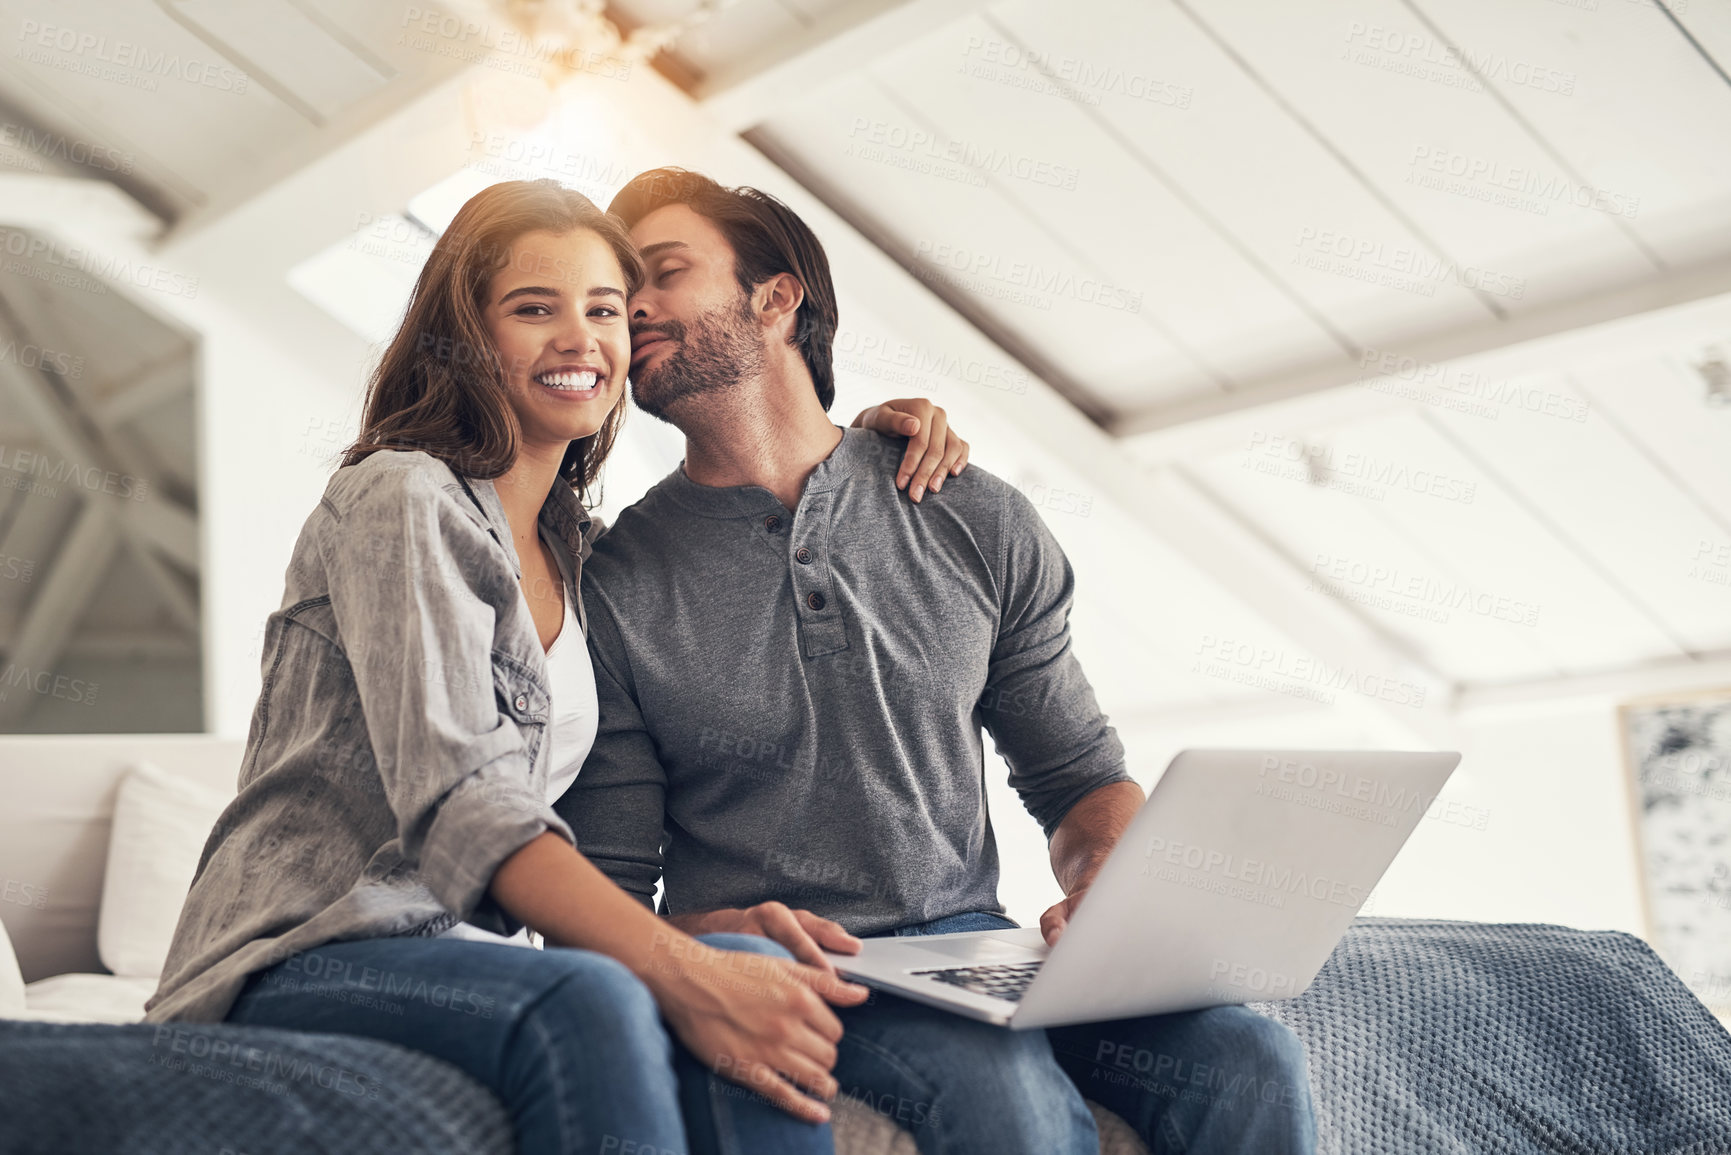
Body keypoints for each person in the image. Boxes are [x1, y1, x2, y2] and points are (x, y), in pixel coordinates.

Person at [142, 178, 974, 1155]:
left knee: (734, 961)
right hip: (302, 953)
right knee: (587, 1003)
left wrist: (861, 460)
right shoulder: (398, 498)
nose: (580, 338)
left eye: (606, 310)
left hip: (461, 957)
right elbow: (466, 808)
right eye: (534, 309)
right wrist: (674, 966)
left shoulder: (581, 554)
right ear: (466, 336)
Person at [561, 168, 1319, 1155]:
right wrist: (718, 939)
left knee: (1250, 1062)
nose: (635, 309)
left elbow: (1080, 781)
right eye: (621, 294)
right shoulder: (615, 585)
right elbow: (613, 897)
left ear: (777, 297)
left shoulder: (971, 512)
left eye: (662, 272)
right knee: (998, 1085)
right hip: (808, 972)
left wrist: (1112, 893)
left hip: (975, 947)